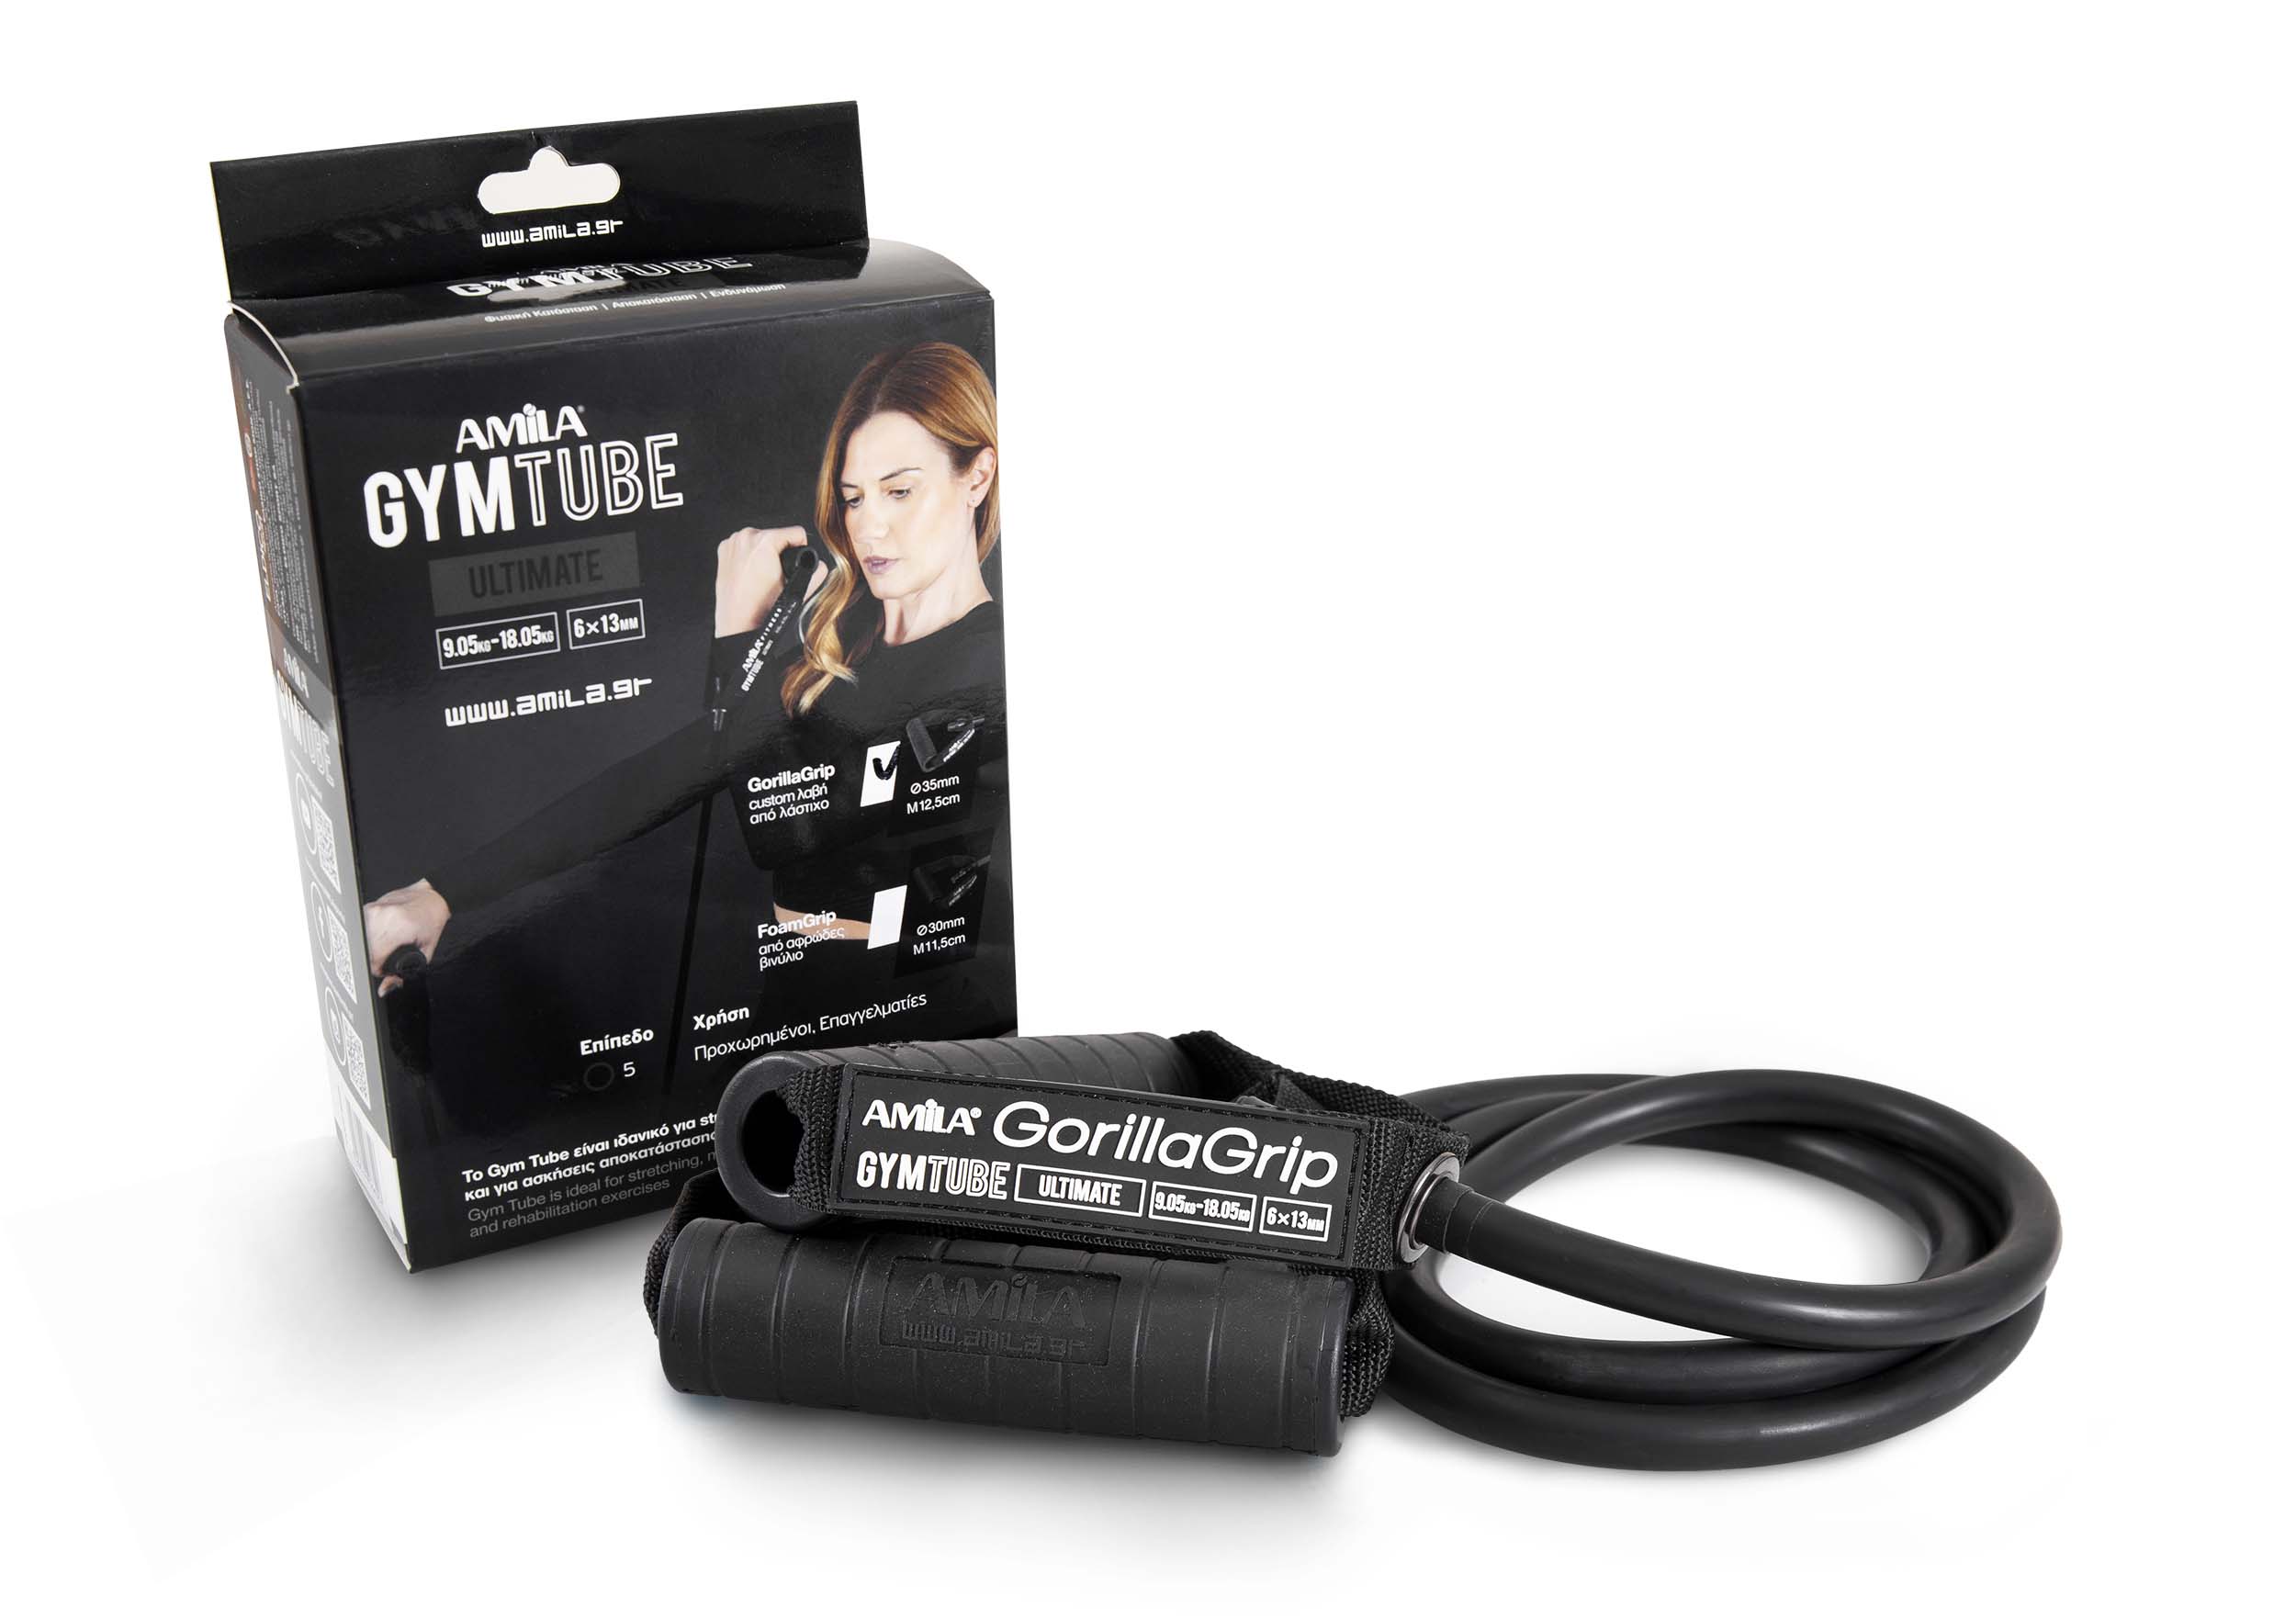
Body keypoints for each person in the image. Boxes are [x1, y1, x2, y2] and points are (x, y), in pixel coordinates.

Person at [362, 341, 1005, 990]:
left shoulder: (992, 665)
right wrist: (440, 892)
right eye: (854, 498)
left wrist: (738, 631)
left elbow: (785, 829)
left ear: (977, 476)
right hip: (798, 991)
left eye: (900, 491)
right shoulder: (840, 654)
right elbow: (658, 778)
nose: (868, 528)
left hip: (910, 998)